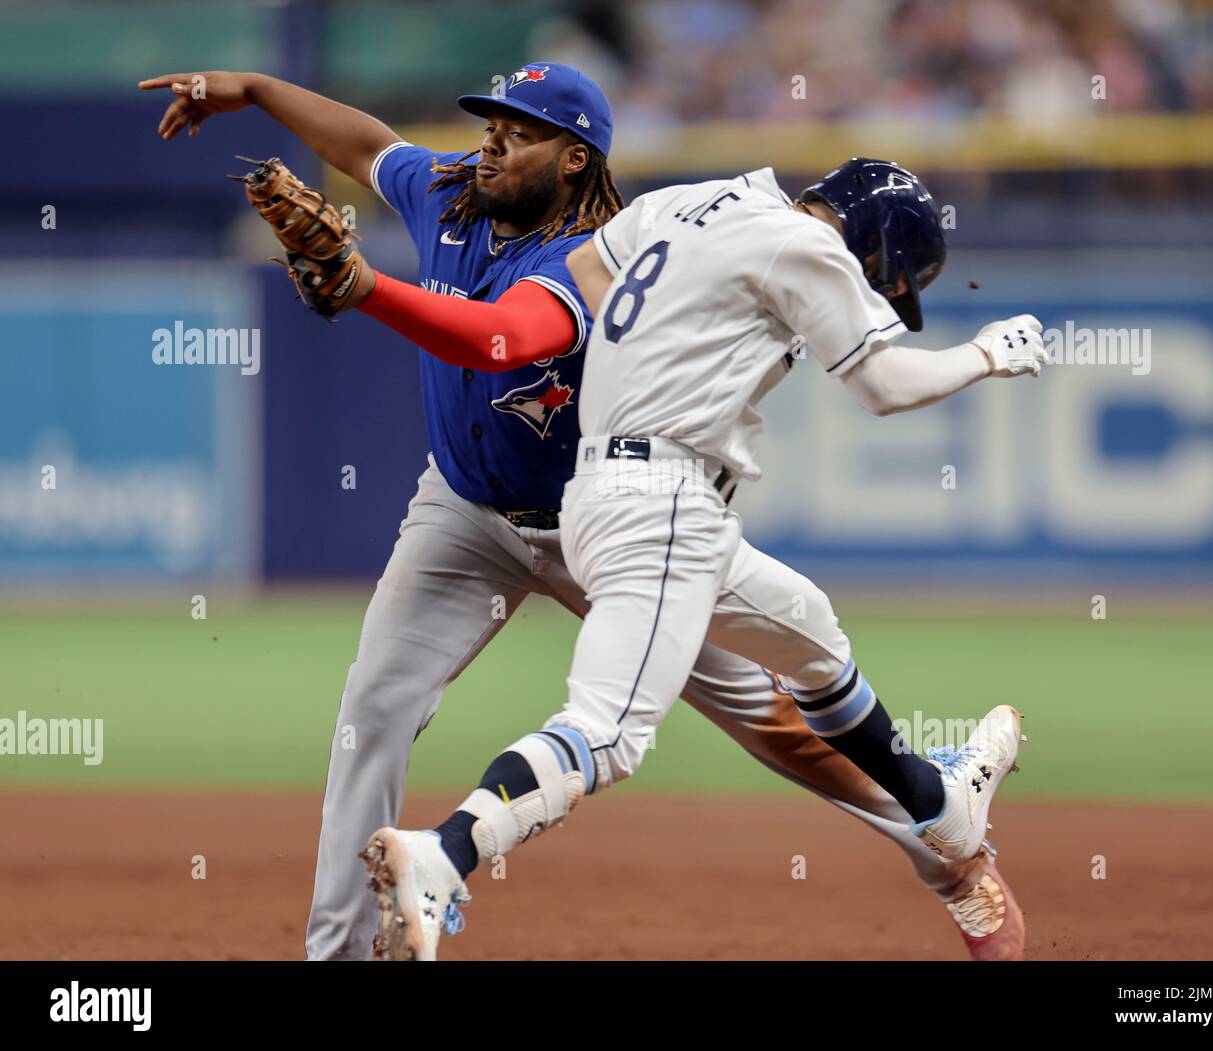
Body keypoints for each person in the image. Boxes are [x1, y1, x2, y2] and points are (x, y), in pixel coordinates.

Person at [142, 65, 1022, 962]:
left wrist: (367, 286)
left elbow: (502, 342)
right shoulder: (452, 191)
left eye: (518, 131)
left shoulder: (585, 247)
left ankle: (952, 859)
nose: (491, 139)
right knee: (374, 705)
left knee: (782, 718)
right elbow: (368, 146)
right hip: (465, 508)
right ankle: (339, 952)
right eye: (490, 121)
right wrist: (252, 89)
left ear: (574, 159)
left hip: (598, 521)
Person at [363, 159, 1044, 961]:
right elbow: (883, 384)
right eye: (885, 280)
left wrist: (679, 341)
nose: (876, 296)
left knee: (814, 640)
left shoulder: (688, 202)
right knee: (608, 732)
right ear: (872, 248)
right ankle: (443, 854)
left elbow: (585, 270)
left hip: (610, 490)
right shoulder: (808, 245)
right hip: (666, 501)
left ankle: (939, 803)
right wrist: (988, 354)